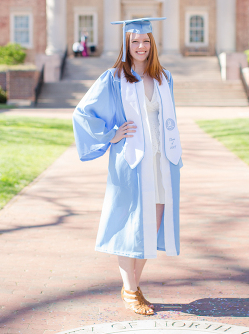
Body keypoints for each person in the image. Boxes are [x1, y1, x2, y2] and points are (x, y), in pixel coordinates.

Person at [73, 17, 183, 315]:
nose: (140, 46)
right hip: (131, 161)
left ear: (152, 44)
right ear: (126, 44)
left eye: (145, 41)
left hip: (162, 161)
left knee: (153, 224)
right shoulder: (113, 78)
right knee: (130, 225)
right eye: (135, 41)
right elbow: (83, 113)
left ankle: (131, 286)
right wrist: (111, 134)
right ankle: (131, 290)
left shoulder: (164, 78)